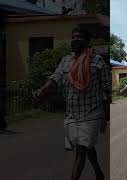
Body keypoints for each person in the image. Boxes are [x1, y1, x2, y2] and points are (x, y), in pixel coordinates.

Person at [33, 27, 106, 180]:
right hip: (72, 113)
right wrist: (41, 91)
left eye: (79, 36)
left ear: (87, 41)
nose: (75, 39)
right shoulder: (66, 61)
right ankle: (99, 173)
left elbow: (106, 88)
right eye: (73, 37)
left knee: (80, 151)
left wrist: (106, 115)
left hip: (91, 113)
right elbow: (54, 79)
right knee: (87, 147)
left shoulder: (97, 61)